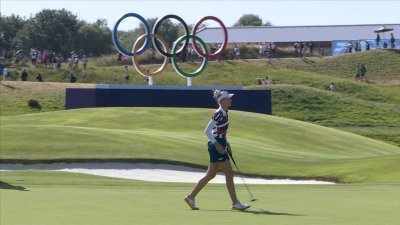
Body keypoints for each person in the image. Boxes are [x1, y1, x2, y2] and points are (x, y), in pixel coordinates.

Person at [184, 90, 250, 211]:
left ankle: (190, 197)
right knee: (229, 174)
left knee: (211, 175)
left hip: (219, 144)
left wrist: (227, 143)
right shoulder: (219, 113)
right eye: (228, 98)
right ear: (222, 101)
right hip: (216, 146)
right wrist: (217, 144)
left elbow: (219, 131)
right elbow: (207, 131)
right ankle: (235, 203)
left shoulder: (224, 113)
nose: (231, 100)